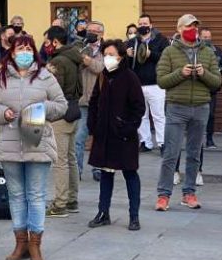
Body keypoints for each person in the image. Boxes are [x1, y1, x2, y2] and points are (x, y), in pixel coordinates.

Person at [0, 34, 66, 260]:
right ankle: (20, 242)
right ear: (12, 51)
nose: (25, 52)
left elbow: (61, 105)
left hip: (37, 143)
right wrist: (3, 113)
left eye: (29, 48)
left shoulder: (45, 75)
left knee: (37, 196)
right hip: (9, 143)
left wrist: (41, 108)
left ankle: (35, 244)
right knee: (16, 195)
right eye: (20, 48)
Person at [155, 14, 222, 211]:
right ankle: (163, 195)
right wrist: (180, 73)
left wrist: (204, 74)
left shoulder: (207, 52)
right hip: (176, 107)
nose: (193, 30)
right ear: (179, 29)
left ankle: (189, 193)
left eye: (195, 27)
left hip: (201, 107)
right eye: (189, 26)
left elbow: (217, 82)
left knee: (194, 154)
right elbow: (161, 80)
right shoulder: (169, 51)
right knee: (171, 153)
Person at [87, 39, 146, 231]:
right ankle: (103, 212)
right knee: (105, 173)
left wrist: (127, 127)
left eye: (112, 55)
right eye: (106, 55)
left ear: (120, 57)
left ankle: (134, 216)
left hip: (123, 135)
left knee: (130, 173)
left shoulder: (130, 77)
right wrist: (93, 125)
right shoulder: (103, 76)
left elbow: (139, 108)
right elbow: (94, 101)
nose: (108, 58)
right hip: (104, 134)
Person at [44, 25, 82, 218]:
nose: (45, 45)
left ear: (55, 41)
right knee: (70, 157)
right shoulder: (74, 57)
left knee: (60, 161)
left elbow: (52, 89)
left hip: (60, 112)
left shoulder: (58, 61)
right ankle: (72, 199)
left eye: (47, 41)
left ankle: (60, 204)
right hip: (74, 109)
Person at [127, 14, 170, 152]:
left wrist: (151, 54)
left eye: (145, 23)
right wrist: (127, 55)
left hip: (155, 84)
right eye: (140, 23)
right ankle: (145, 142)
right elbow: (126, 64)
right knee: (141, 115)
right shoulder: (133, 41)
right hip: (137, 84)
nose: (142, 26)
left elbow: (165, 58)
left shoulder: (161, 40)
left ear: (151, 25)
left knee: (158, 116)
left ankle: (163, 143)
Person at [73, 21, 105, 181]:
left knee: (99, 137)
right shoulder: (80, 47)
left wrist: (89, 61)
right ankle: (77, 169)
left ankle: (98, 168)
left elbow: (103, 68)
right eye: (88, 31)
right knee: (79, 137)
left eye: (94, 31)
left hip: (100, 101)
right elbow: (73, 66)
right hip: (83, 101)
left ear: (101, 34)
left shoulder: (108, 49)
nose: (90, 33)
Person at [199, 27, 222, 150]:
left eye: (209, 37)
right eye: (205, 37)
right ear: (199, 37)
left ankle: (209, 139)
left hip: (211, 88)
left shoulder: (217, 50)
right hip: (198, 87)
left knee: (210, 115)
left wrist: (218, 71)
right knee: (197, 115)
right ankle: (197, 139)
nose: (207, 39)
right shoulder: (194, 50)